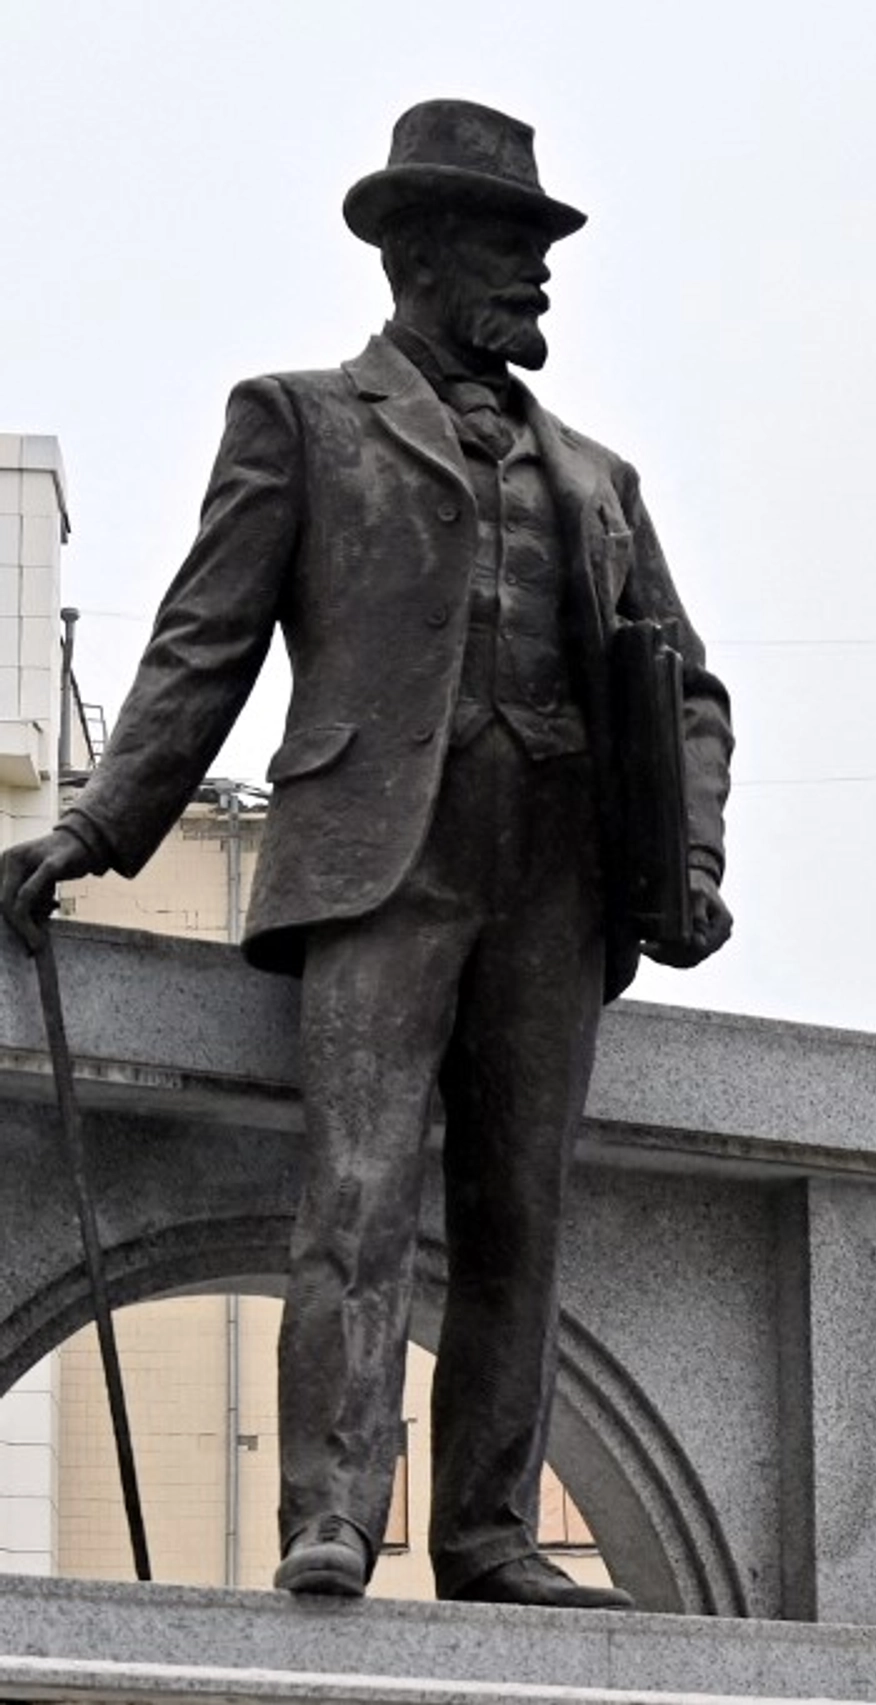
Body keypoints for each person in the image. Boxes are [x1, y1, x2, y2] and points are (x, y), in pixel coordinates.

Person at [0, 100, 733, 1609]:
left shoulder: (598, 478)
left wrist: (693, 863)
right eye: (507, 246)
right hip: (378, 861)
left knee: (524, 1217)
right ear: (415, 251)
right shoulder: (301, 420)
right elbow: (202, 649)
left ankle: (485, 1531)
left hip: (557, 879)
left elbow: (690, 689)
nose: (538, 278)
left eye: (542, 250)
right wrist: (95, 826)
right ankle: (332, 1511)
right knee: (356, 1195)